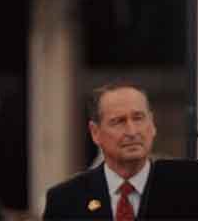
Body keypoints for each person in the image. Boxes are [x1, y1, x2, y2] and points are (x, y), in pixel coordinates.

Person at [43, 83, 157, 220]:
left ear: (152, 124)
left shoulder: (183, 191)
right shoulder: (65, 200)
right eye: (118, 122)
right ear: (95, 133)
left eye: (138, 118)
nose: (132, 132)